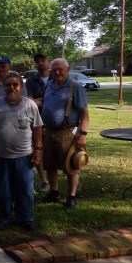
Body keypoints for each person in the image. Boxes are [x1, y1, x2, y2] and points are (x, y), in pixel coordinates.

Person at [0, 71, 43, 230]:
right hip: (0, 155)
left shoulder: (29, 105)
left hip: (24, 155)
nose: (12, 88)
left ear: (21, 87)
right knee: (3, 190)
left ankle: (26, 217)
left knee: (24, 189)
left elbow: (37, 129)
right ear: (3, 87)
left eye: (15, 85)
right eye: (8, 85)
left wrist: (38, 149)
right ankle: (4, 217)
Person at [40, 58, 90, 210]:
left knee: (71, 166)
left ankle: (72, 196)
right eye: (54, 70)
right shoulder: (49, 85)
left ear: (68, 69)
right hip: (49, 131)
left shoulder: (76, 87)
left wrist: (82, 134)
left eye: (60, 69)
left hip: (67, 132)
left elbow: (85, 114)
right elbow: (44, 103)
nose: (57, 72)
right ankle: (54, 193)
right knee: (49, 165)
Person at [0, 56, 27, 199]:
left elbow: (24, 105)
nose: (1, 69)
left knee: (13, 163)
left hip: (15, 129)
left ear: (9, 66)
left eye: (4, 66)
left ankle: (13, 192)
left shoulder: (19, 85)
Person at [25, 54, 51, 193]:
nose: (41, 63)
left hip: (54, 122)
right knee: (38, 149)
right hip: (37, 122)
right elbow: (29, 101)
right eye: (38, 61)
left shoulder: (56, 77)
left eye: (43, 60)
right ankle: (44, 181)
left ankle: (72, 181)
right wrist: (48, 100)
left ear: (49, 62)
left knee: (58, 152)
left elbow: (60, 101)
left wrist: (40, 101)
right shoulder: (31, 81)